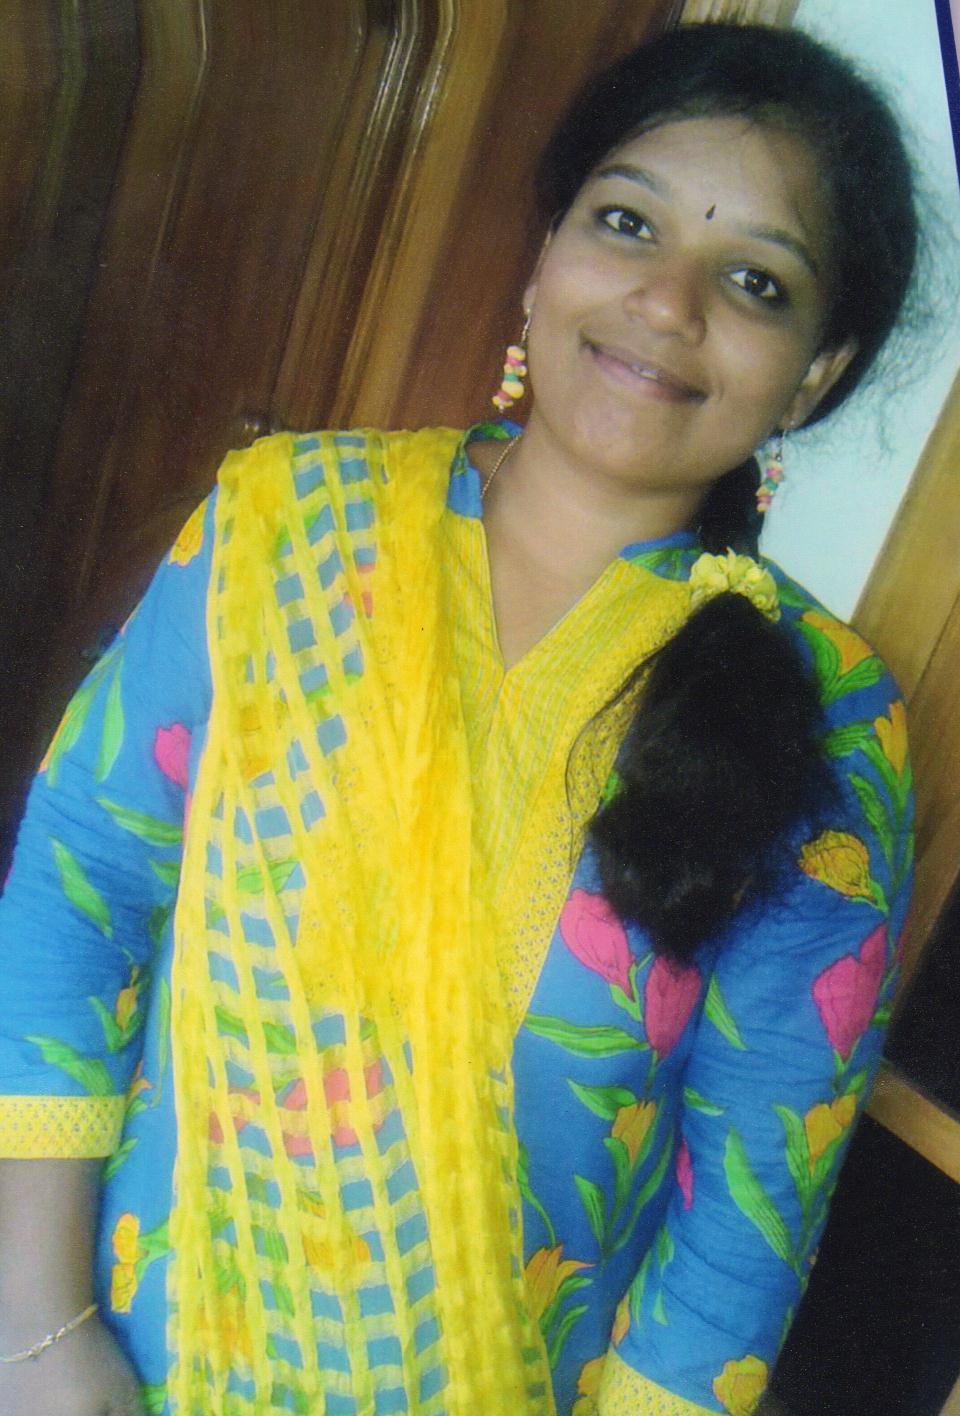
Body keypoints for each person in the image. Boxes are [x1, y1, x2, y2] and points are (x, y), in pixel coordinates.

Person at [0, 21, 918, 1416]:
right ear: (545, 255)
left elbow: (747, 1210)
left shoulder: (832, 717)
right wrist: (38, 1333)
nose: (667, 303)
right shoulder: (284, 528)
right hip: (112, 1359)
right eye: (627, 223)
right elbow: (82, 891)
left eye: (754, 281)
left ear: (816, 371)